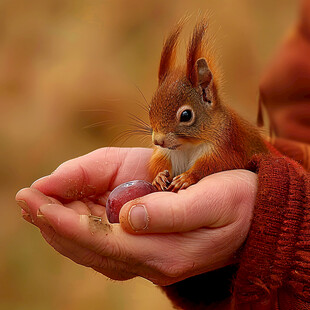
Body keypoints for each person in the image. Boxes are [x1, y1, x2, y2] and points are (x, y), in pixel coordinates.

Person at [16, 0, 310, 309]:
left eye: (184, 119)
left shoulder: (220, 135)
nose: (159, 138)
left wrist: (271, 219)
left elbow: (222, 164)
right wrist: (160, 173)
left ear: (206, 95)